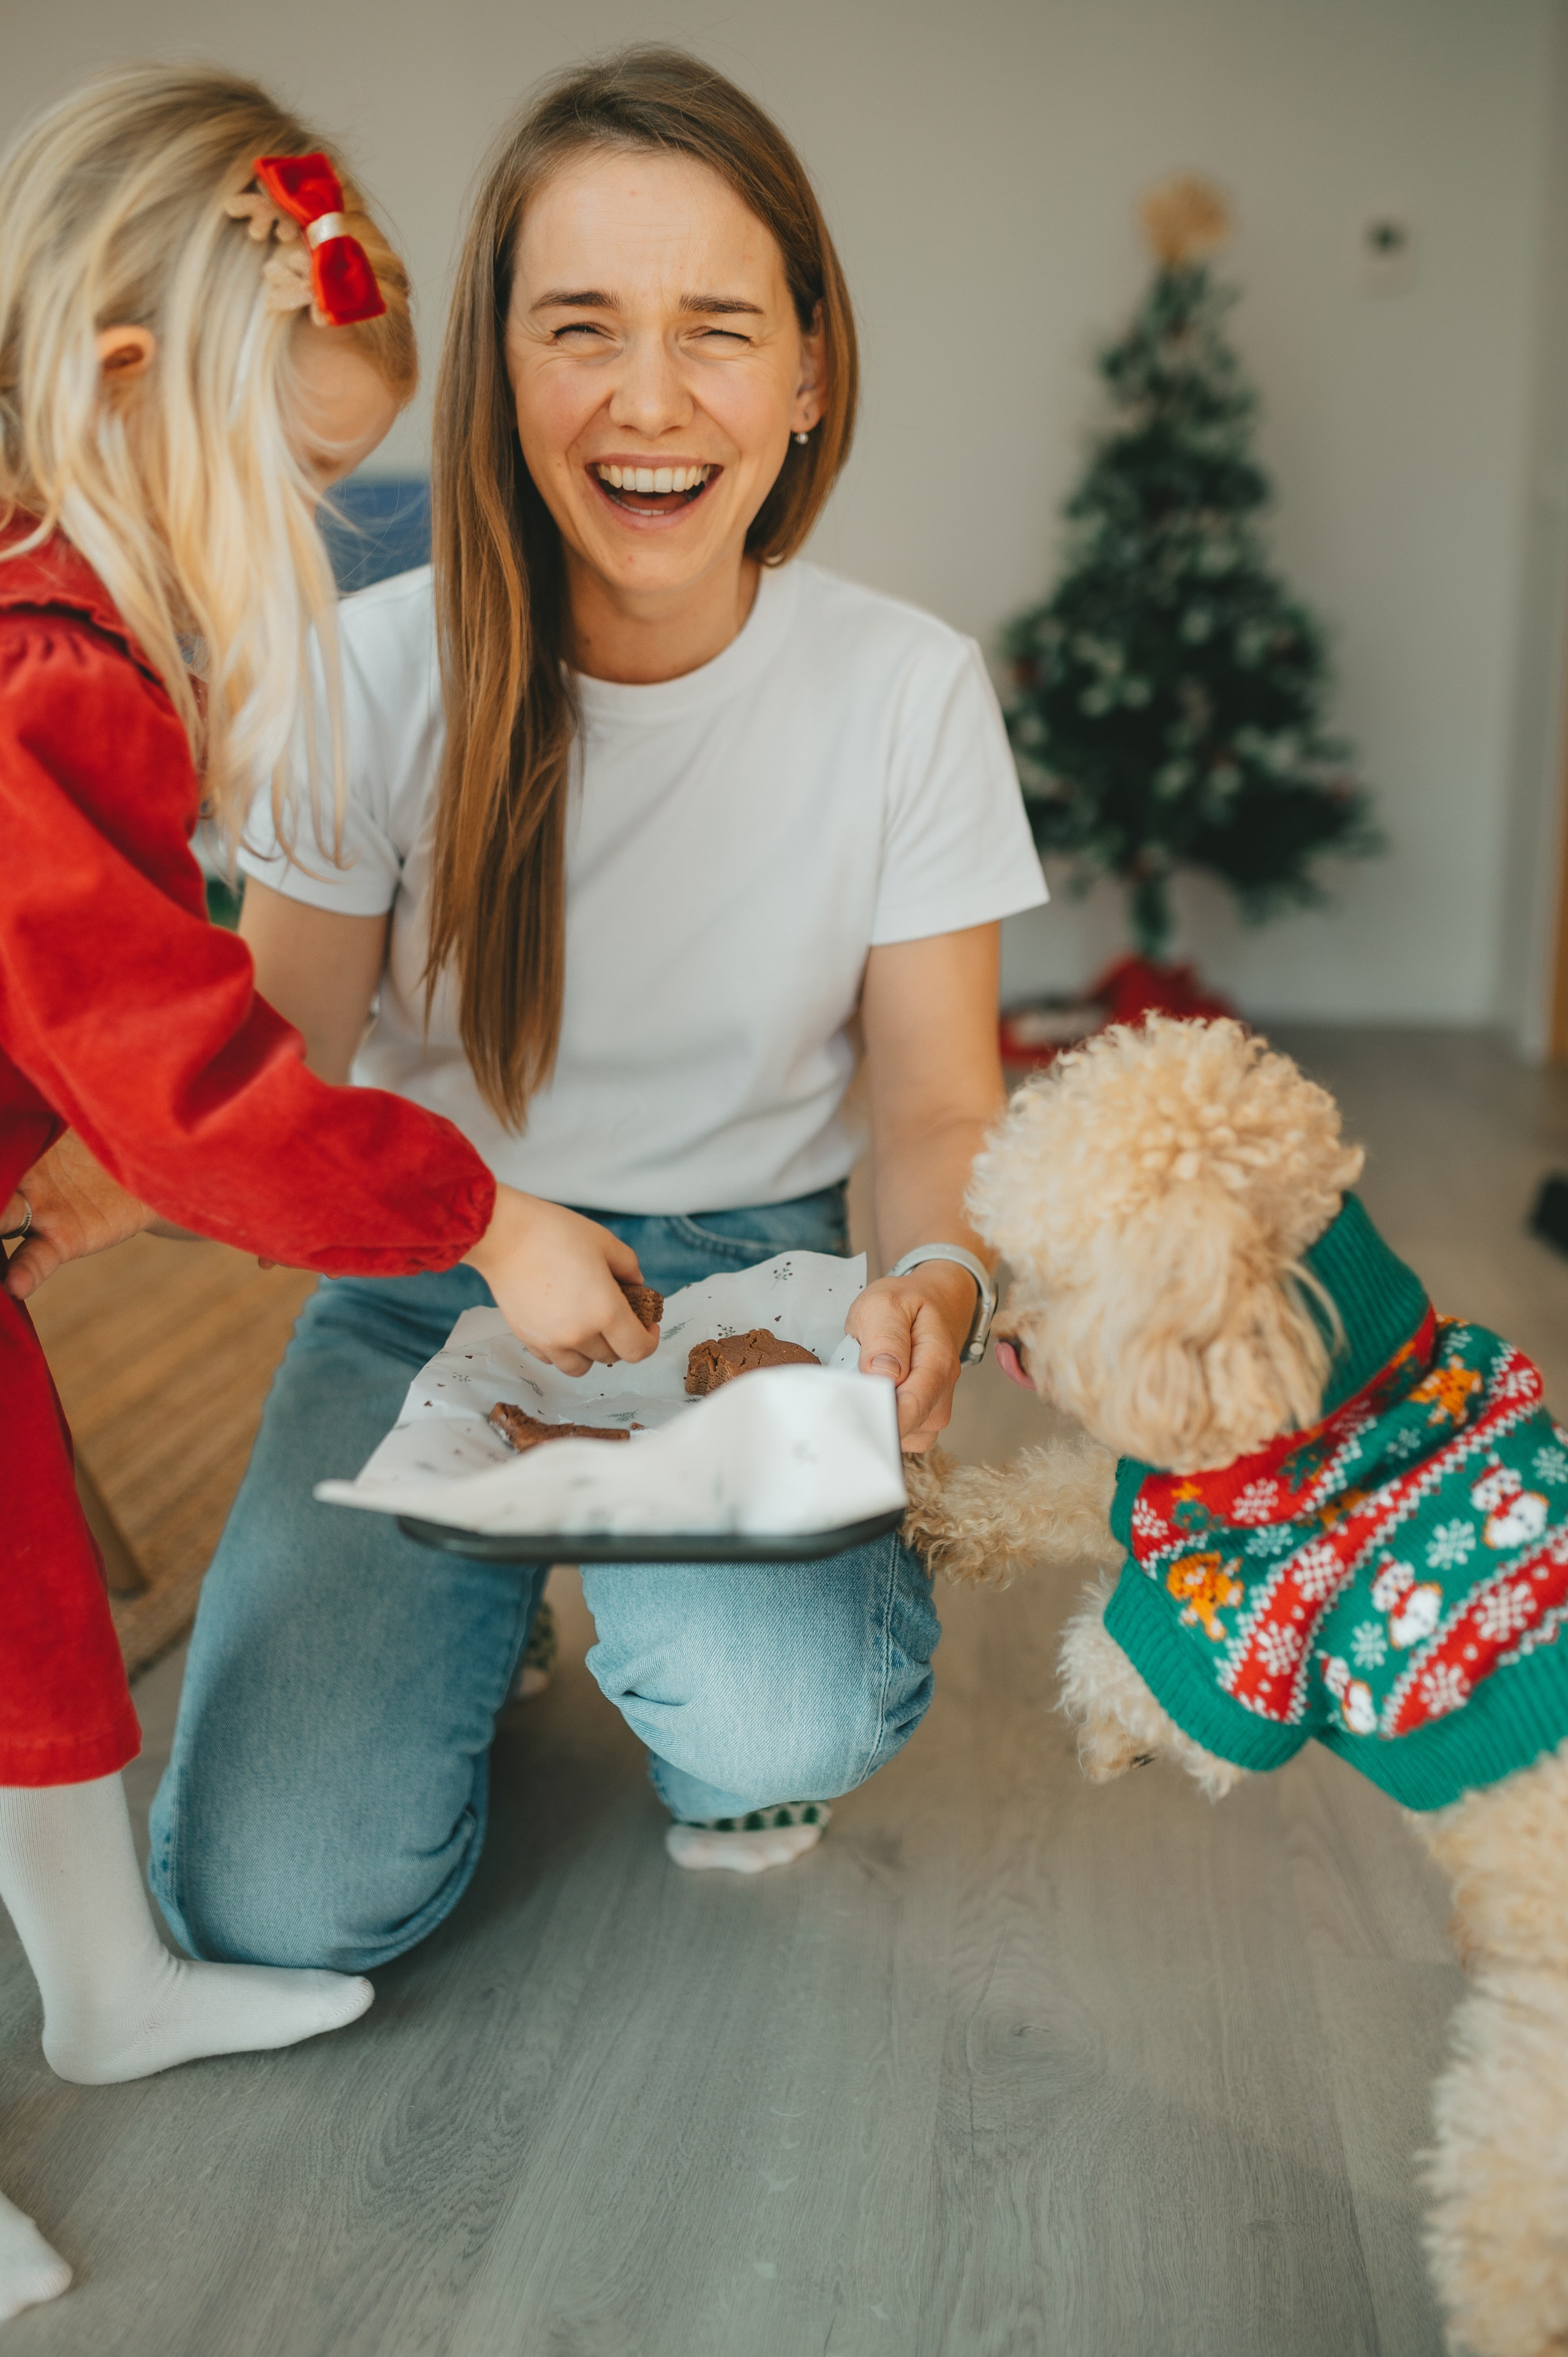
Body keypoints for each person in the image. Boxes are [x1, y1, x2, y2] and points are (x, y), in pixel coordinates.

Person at [32, 47, 1046, 1963]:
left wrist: (939, 1284)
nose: (650, 401)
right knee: (273, 1905)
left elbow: (933, 1104)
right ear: (497, 370)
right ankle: (483, 1612)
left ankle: (637, 1638)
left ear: (810, 372)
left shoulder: (908, 690)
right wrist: (95, 1176)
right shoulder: (366, 671)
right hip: (426, 1273)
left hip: (754, 1273)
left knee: (779, 1727)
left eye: (718, 330)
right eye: (580, 328)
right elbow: (274, 1065)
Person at [0, 66, 654, 2322]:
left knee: (31, 1630)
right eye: (289, 473)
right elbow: (196, 1084)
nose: (304, 529)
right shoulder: (39, 678)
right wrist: (488, 1218)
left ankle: (109, 1988)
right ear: (125, 386)